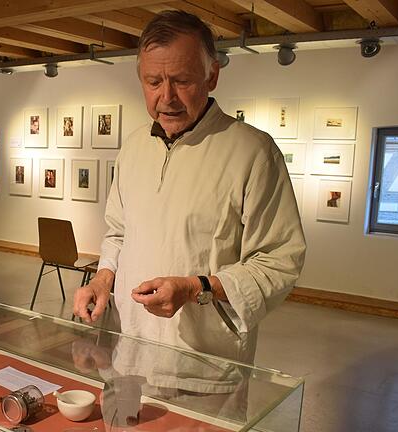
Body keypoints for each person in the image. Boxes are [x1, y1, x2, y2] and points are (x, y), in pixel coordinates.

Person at [72, 11, 306, 363]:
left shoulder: (254, 152)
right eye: (153, 82)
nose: (167, 97)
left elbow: (278, 261)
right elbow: (119, 234)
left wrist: (197, 287)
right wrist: (103, 280)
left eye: (181, 80)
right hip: (128, 351)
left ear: (212, 76)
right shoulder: (134, 148)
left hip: (205, 365)